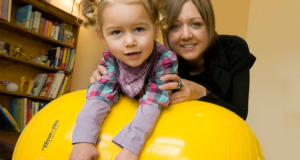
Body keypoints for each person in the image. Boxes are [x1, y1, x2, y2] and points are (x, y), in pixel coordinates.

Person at [90, 0, 256, 121]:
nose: (186, 35)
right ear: (161, 30)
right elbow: (139, 97)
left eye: (196, 24)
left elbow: (240, 114)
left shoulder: (233, 48)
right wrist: (107, 79)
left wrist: (202, 93)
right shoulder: (160, 60)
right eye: (174, 26)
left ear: (209, 25)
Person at [70, 0, 178, 160]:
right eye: (116, 32)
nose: (129, 42)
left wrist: (130, 149)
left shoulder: (165, 60)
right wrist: (83, 140)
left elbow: (151, 103)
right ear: (102, 36)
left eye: (139, 29)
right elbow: (98, 97)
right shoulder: (110, 60)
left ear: (155, 29)